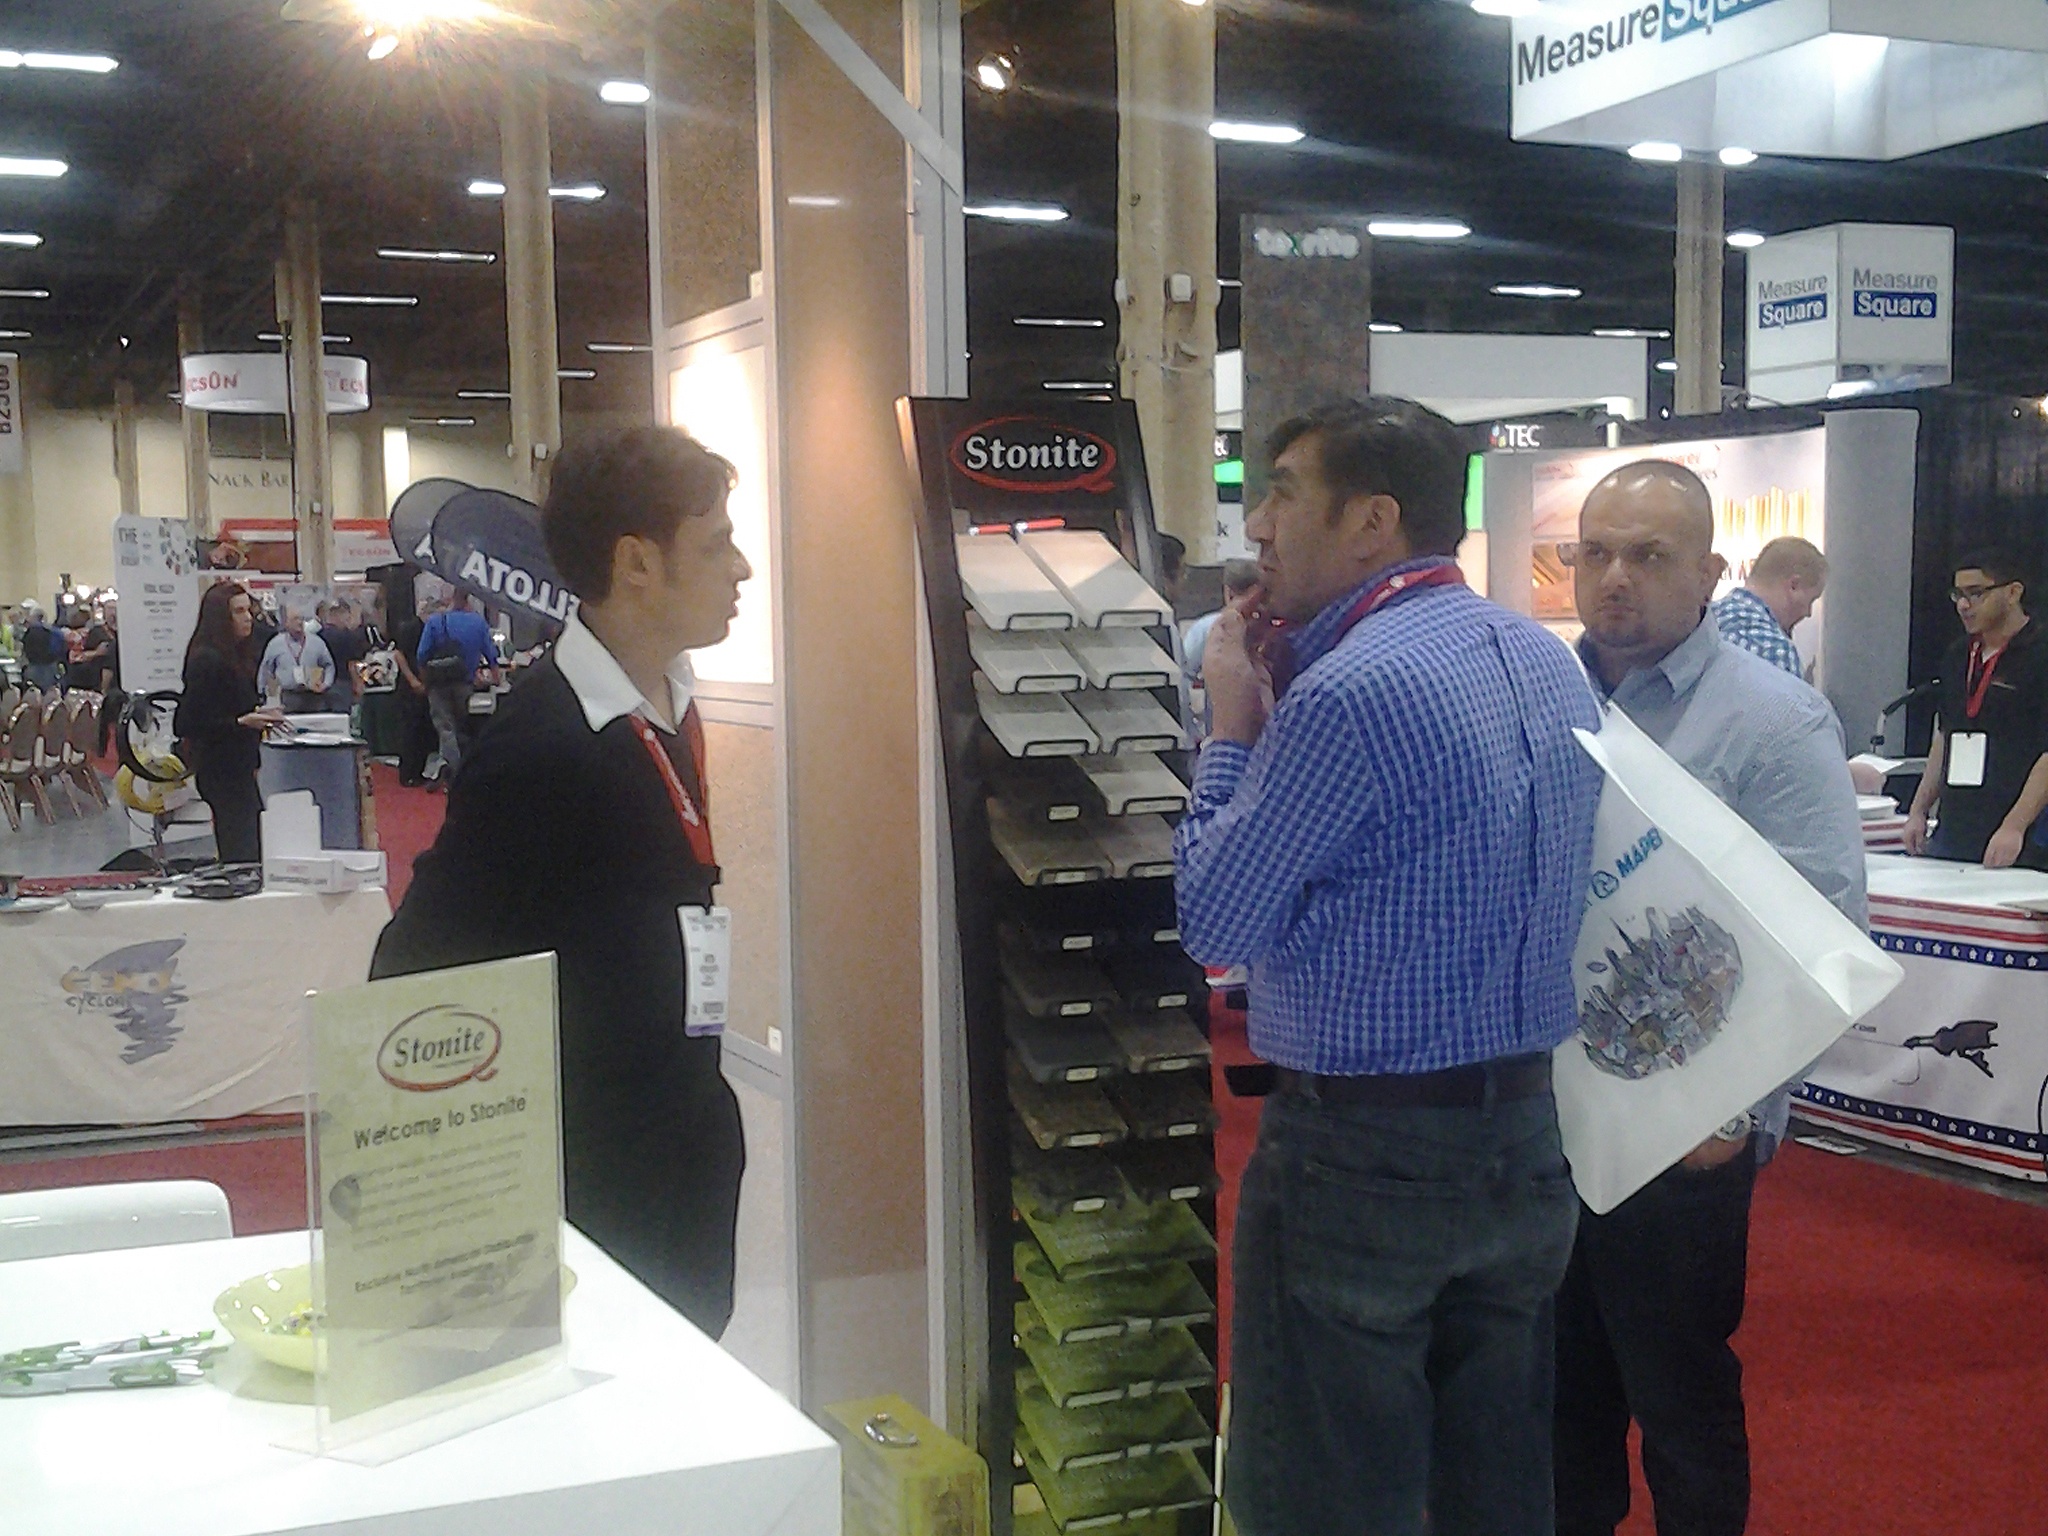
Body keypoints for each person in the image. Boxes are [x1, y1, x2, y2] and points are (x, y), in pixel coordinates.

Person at [1175, 398, 1605, 1536]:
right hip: (1524, 1140)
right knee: (1493, 1488)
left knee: (1322, 1492)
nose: (1256, 525)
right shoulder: (1544, 660)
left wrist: (1231, 732)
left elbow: (1215, 919)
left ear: (1371, 521)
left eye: (1280, 494)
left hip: (1360, 1154)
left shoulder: (1348, 692)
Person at [372, 425, 754, 1334]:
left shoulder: (664, 705)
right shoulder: (543, 746)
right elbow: (416, 970)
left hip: (681, 1140)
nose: (741, 569)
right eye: (715, 545)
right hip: (595, 1185)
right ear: (637, 563)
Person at [1558, 461, 1866, 1536]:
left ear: (1708, 572)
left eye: (1648, 555)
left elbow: (1826, 927)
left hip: (1688, 1133)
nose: (1615, 577)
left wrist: (1732, 1110)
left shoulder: (1773, 720)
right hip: (1547, 1117)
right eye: (1596, 552)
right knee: (1557, 1395)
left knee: (1678, 1394)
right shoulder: (1542, 697)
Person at [1904, 548, 2048, 870]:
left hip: (2020, 832)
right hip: (1956, 826)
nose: (1964, 605)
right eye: (1958, 595)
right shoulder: (1959, 655)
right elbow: (1945, 735)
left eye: (1976, 593)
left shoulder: (2039, 653)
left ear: (2013, 592)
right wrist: (1919, 809)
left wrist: (2014, 826)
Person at [175, 582, 286, 864]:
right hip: (220, 768)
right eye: (239, 611)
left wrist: (257, 716)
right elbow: (187, 722)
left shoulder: (235, 655)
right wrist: (242, 722)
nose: (248, 618)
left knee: (251, 844)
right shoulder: (207, 660)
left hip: (239, 765)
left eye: (248, 610)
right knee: (242, 851)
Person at [1709, 536, 1827, 678]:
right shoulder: (1775, 650)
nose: (1808, 613)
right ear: (1794, 586)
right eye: (1811, 600)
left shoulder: (1706, 620)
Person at [415, 592, 500, 785]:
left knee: (445, 727)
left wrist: (425, 681)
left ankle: (453, 772)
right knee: (464, 726)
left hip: (438, 684)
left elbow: (421, 655)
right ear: (469, 601)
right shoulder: (478, 623)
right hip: (465, 683)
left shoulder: (435, 622)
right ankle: (468, 769)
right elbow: (491, 654)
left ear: (452, 599)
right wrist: (495, 678)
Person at [1182, 558, 1260, 742]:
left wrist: (1191, 731)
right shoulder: (1271, 628)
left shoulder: (1207, 629)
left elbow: (1182, 677)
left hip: (1220, 736)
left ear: (1228, 592)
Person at [256, 601, 336, 714]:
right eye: (295, 619)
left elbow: (329, 665)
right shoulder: (275, 644)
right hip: (287, 697)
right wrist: (262, 694)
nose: (299, 622)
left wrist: (326, 684)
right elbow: (266, 669)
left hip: (313, 697)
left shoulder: (317, 642)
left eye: (301, 619)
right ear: (286, 622)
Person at [391, 593, 436, 787]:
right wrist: (412, 680)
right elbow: (399, 655)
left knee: (424, 730)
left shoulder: (433, 629)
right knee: (410, 731)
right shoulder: (409, 628)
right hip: (409, 686)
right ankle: (407, 773)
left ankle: (420, 771)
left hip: (427, 684)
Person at [317, 596, 371, 713]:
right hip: (343, 683)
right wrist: (360, 682)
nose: (348, 620)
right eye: (347, 616)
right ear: (339, 615)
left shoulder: (317, 636)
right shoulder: (348, 636)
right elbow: (353, 663)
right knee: (344, 718)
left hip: (323, 684)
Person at [20, 601, 62, 692]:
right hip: (50, 666)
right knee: (48, 692)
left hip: (35, 666)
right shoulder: (53, 631)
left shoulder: (31, 631)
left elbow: (25, 648)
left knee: (32, 692)